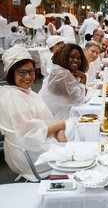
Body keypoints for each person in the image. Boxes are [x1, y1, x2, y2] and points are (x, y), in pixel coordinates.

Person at [0, 46, 68, 178]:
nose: (28, 76)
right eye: (22, 72)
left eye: (30, 71)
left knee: (76, 126)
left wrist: (60, 130)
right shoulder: (14, 97)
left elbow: (43, 122)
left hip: (36, 145)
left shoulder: (25, 92)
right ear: (11, 74)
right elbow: (31, 135)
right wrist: (59, 126)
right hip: (31, 154)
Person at [39, 44, 89, 120]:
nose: (76, 60)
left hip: (54, 111)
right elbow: (78, 99)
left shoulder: (59, 69)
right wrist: (84, 77)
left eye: (78, 58)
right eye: (72, 57)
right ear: (65, 57)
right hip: (57, 117)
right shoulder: (63, 73)